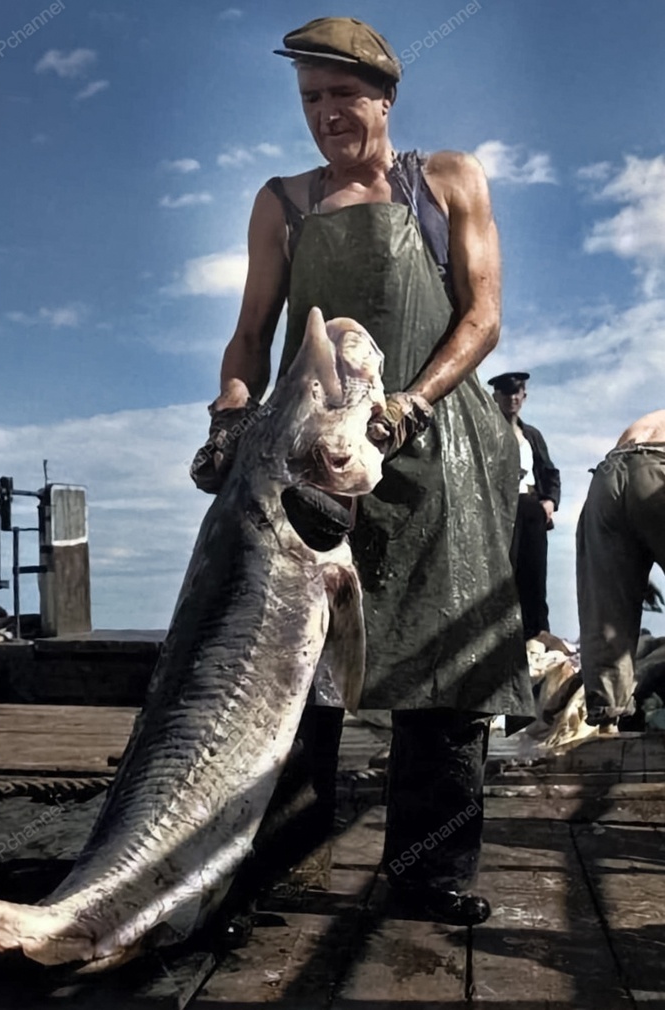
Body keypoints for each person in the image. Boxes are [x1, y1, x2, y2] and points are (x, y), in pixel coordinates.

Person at [190, 16, 533, 926]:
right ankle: (278, 867)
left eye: (344, 94)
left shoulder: (449, 178)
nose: (327, 114)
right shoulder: (283, 202)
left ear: (384, 96)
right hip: (314, 453)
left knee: (444, 670)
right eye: (310, 98)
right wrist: (230, 412)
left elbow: (482, 318)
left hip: (433, 446)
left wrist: (409, 405)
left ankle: (428, 872)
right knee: (298, 667)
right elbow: (252, 334)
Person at [577, 410, 665, 727]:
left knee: (606, 610)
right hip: (658, 466)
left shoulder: (654, 418)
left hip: (607, 477)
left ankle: (607, 723)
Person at [488, 372, 561, 639]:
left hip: (531, 509)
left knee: (535, 577)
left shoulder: (532, 435)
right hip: (498, 510)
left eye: (517, 392)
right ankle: (502, 638)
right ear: (496, 396)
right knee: (504, 574)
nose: (512, 398)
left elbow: (550, 472)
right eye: (506, 392)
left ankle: (538, 635)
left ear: (524, 396)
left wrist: (550, 502)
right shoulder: (487, 432)